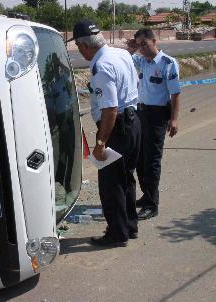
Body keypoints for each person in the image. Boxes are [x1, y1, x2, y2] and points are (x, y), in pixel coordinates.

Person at [71, 20, 141, 246]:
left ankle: (117, 233)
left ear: (84, 45)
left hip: (116, 127)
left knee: (111, 185)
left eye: (79, 48)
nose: (80, 52)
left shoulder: (101, 67)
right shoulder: (121, 54)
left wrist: (100, 143)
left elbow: (110, 109)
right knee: (127, 179)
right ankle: (129, 226)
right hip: (133, 123)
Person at [127, 28, 181, 220]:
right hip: (141, 113)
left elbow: (175, 94)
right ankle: (147, 195)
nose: (142, 49)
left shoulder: (168, 63)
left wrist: (174, 119)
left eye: (144, 44)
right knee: (140, 159)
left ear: (154, 41)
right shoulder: (141, 60)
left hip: (157, 116)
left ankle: (152, 204)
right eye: (139, 45)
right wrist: (131, 48)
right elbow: (126, 58)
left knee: (152, 161)